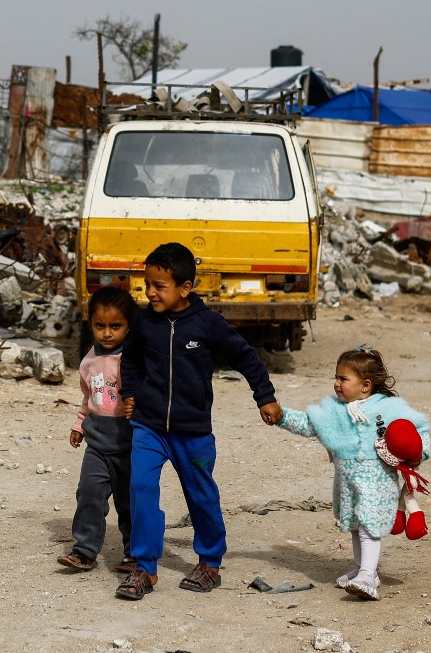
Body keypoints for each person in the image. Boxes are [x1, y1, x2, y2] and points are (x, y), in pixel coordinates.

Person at [114, 242, 283, 600]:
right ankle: (144, 567)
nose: (151, 292)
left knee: (200, 495)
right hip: (149, 427)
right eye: (148, 284)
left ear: (185, 288)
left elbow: (246, 357)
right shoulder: (145, 321)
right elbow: (129, 359)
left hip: (192, 433)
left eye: (160, 286)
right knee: (141, 489)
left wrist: (265, 396)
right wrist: (130, 393)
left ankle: (209, 560)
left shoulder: (208, 323)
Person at [262, 345, 431, 601]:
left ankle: (367, 575)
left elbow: (420, 431)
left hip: (378, 481)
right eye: (336, 377)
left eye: (343, 379)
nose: (337, 384)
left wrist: (418, 451)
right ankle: (361, 568)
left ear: (365, 385)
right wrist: (283, 416)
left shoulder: (390, 409)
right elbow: (309, 424)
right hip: (348, 481)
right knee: (354, 524)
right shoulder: (333, 411)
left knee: (369, 526)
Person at [58, 286, 137, 574]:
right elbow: (89, 397)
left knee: (130, 502)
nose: (107, 333)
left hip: (130, 446)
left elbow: (146, 393)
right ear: (90, 324)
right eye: (99, 326)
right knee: (89, 495)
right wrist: (79, 424)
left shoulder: (131, 358)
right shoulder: (89, 361)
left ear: (129, 326)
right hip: (97, 447)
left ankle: (135, 553)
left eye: (115, 326)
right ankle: (84, 551)